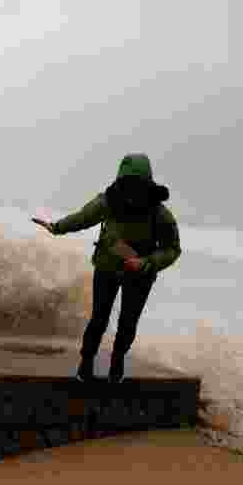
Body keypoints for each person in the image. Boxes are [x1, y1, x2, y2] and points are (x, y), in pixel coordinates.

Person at [32, 153, 181, 384]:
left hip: (141, 275)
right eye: (127, 183)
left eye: (138, 183)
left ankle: (117, 360)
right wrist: (56, 227)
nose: (132, 189)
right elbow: (83, 218)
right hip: (107, 268)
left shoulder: (160, 214)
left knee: (128, 323)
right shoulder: (109, 201)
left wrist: (147, 262)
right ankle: (86, 360)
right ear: (120, 181)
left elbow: (172, 249)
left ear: (148, 183)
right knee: (98, 318)